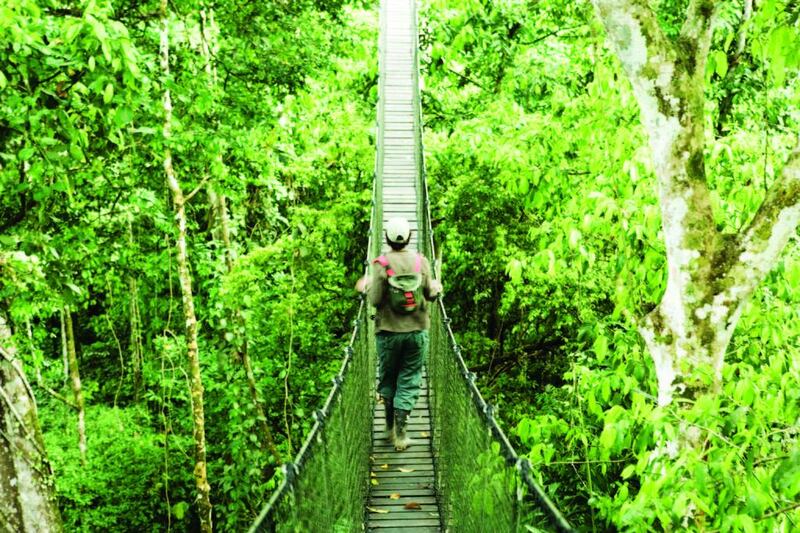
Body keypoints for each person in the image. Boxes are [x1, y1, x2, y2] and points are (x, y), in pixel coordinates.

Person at [355, 217, 442, 451]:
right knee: (410, 379)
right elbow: (430, 295)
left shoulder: (380, 264)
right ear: (410, 237)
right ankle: (401, 435)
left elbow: (373, 301)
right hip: (416, 331)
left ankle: (389, 428)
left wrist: (368, 285)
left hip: (388, 333)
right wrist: (435, 288)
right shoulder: (420, 261)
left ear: (386, 239)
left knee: (388, 378)